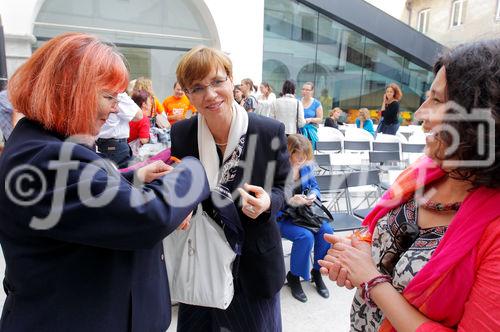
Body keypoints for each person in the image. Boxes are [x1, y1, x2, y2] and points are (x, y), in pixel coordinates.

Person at [0, 32, 210, 332]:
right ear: (70, 92)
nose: (115, 108)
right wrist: (193, 168)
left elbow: (83, 200)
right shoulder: (46, 158)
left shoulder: (42, 144)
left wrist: (133, 177)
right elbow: (147, 215)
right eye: (109, 97)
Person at [319, 40, 500, 331]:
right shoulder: (424, 171)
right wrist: (358, 252)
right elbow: (377, 234)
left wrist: (372, 281)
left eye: (437, 101)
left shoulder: (494, 231)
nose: (420, 114)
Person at [171, 45, 290, 332]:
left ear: (231, 79)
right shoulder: (182, 133)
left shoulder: (268, 131)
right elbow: (183, 187)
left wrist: (267, 203)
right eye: (197, 88)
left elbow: (284, 189)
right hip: (200, 260)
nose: (210, 95)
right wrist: (179, 206)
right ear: (187, 94)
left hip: (253, 264)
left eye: (217, 82)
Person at [278, 134, 333, 303]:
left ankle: (317, 272)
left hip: (302, 214)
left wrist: (311, 195)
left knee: (327, 231)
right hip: (281, 216)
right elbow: (270, 195)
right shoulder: (277, 168)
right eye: (298, 154)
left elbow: (315, 187)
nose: (302, 158)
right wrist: (289, 200)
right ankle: (294, 276)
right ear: (289, 151)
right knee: (305, 236)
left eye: (305, 154)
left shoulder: (306, 167)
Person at [96, 91, 143, 168]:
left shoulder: (96, 92)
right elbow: (139, 115)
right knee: (124, 176)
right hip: (114, 146)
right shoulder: (117, 95)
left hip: (102, 143)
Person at [300, 82, 323, 149]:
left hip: (311, 132)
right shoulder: (298, 102)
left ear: (312, 91)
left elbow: (320, 119)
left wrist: (310, 119)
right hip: (298, 131)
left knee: (308, 151)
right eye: (303, 89)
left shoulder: (317, 103)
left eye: (307, 90)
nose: (305, 91)